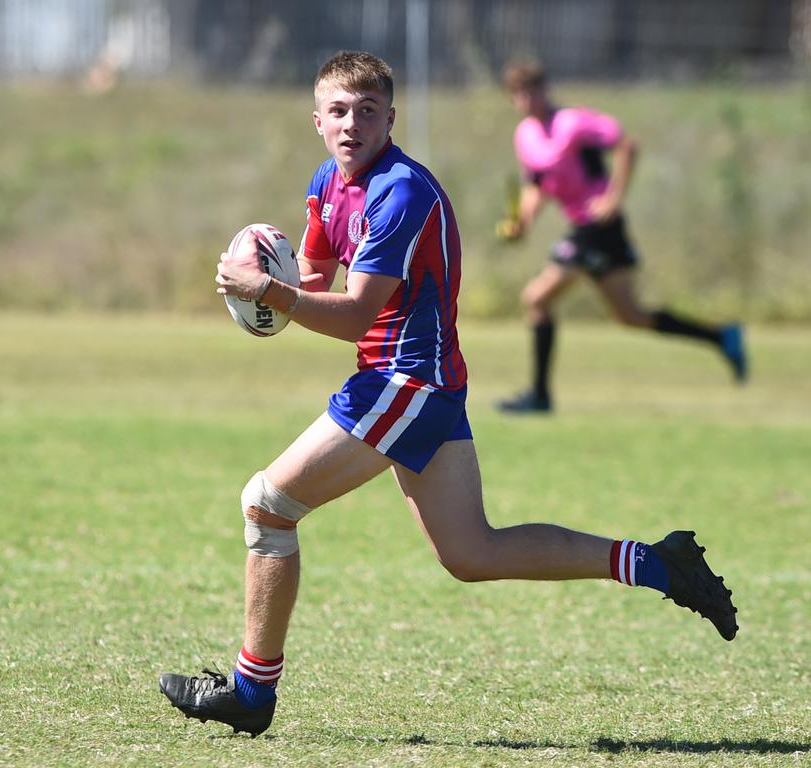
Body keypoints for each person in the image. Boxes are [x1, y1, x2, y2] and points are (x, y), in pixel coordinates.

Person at [158, 51, 738, 738]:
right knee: (473, 554)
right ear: (318, 121)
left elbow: (353, 314)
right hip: (416, 383)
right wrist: (268, 288)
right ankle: (654, 561)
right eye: (339, 112)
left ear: (390, 120)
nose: (352, 125)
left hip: (405, 380)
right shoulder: (328, 182)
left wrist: (269, 295)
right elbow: (316, 277)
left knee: (268, 504)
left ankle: (252, 694)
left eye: (367, 112)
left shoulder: (400, 191)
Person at [494, 60, 747, 414]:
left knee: (537, 299)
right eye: (519, 94)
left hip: (599, 227)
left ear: (544, 89)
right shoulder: (526, 136)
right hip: (585, 229)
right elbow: (539, 186)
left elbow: (627, 146)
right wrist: (523, 222)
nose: (527, 99)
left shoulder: (573, 123)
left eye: (532, 90)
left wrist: (613, 197)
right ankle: (722, 337)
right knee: (631, 316)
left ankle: (539, 396)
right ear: (512, 99)